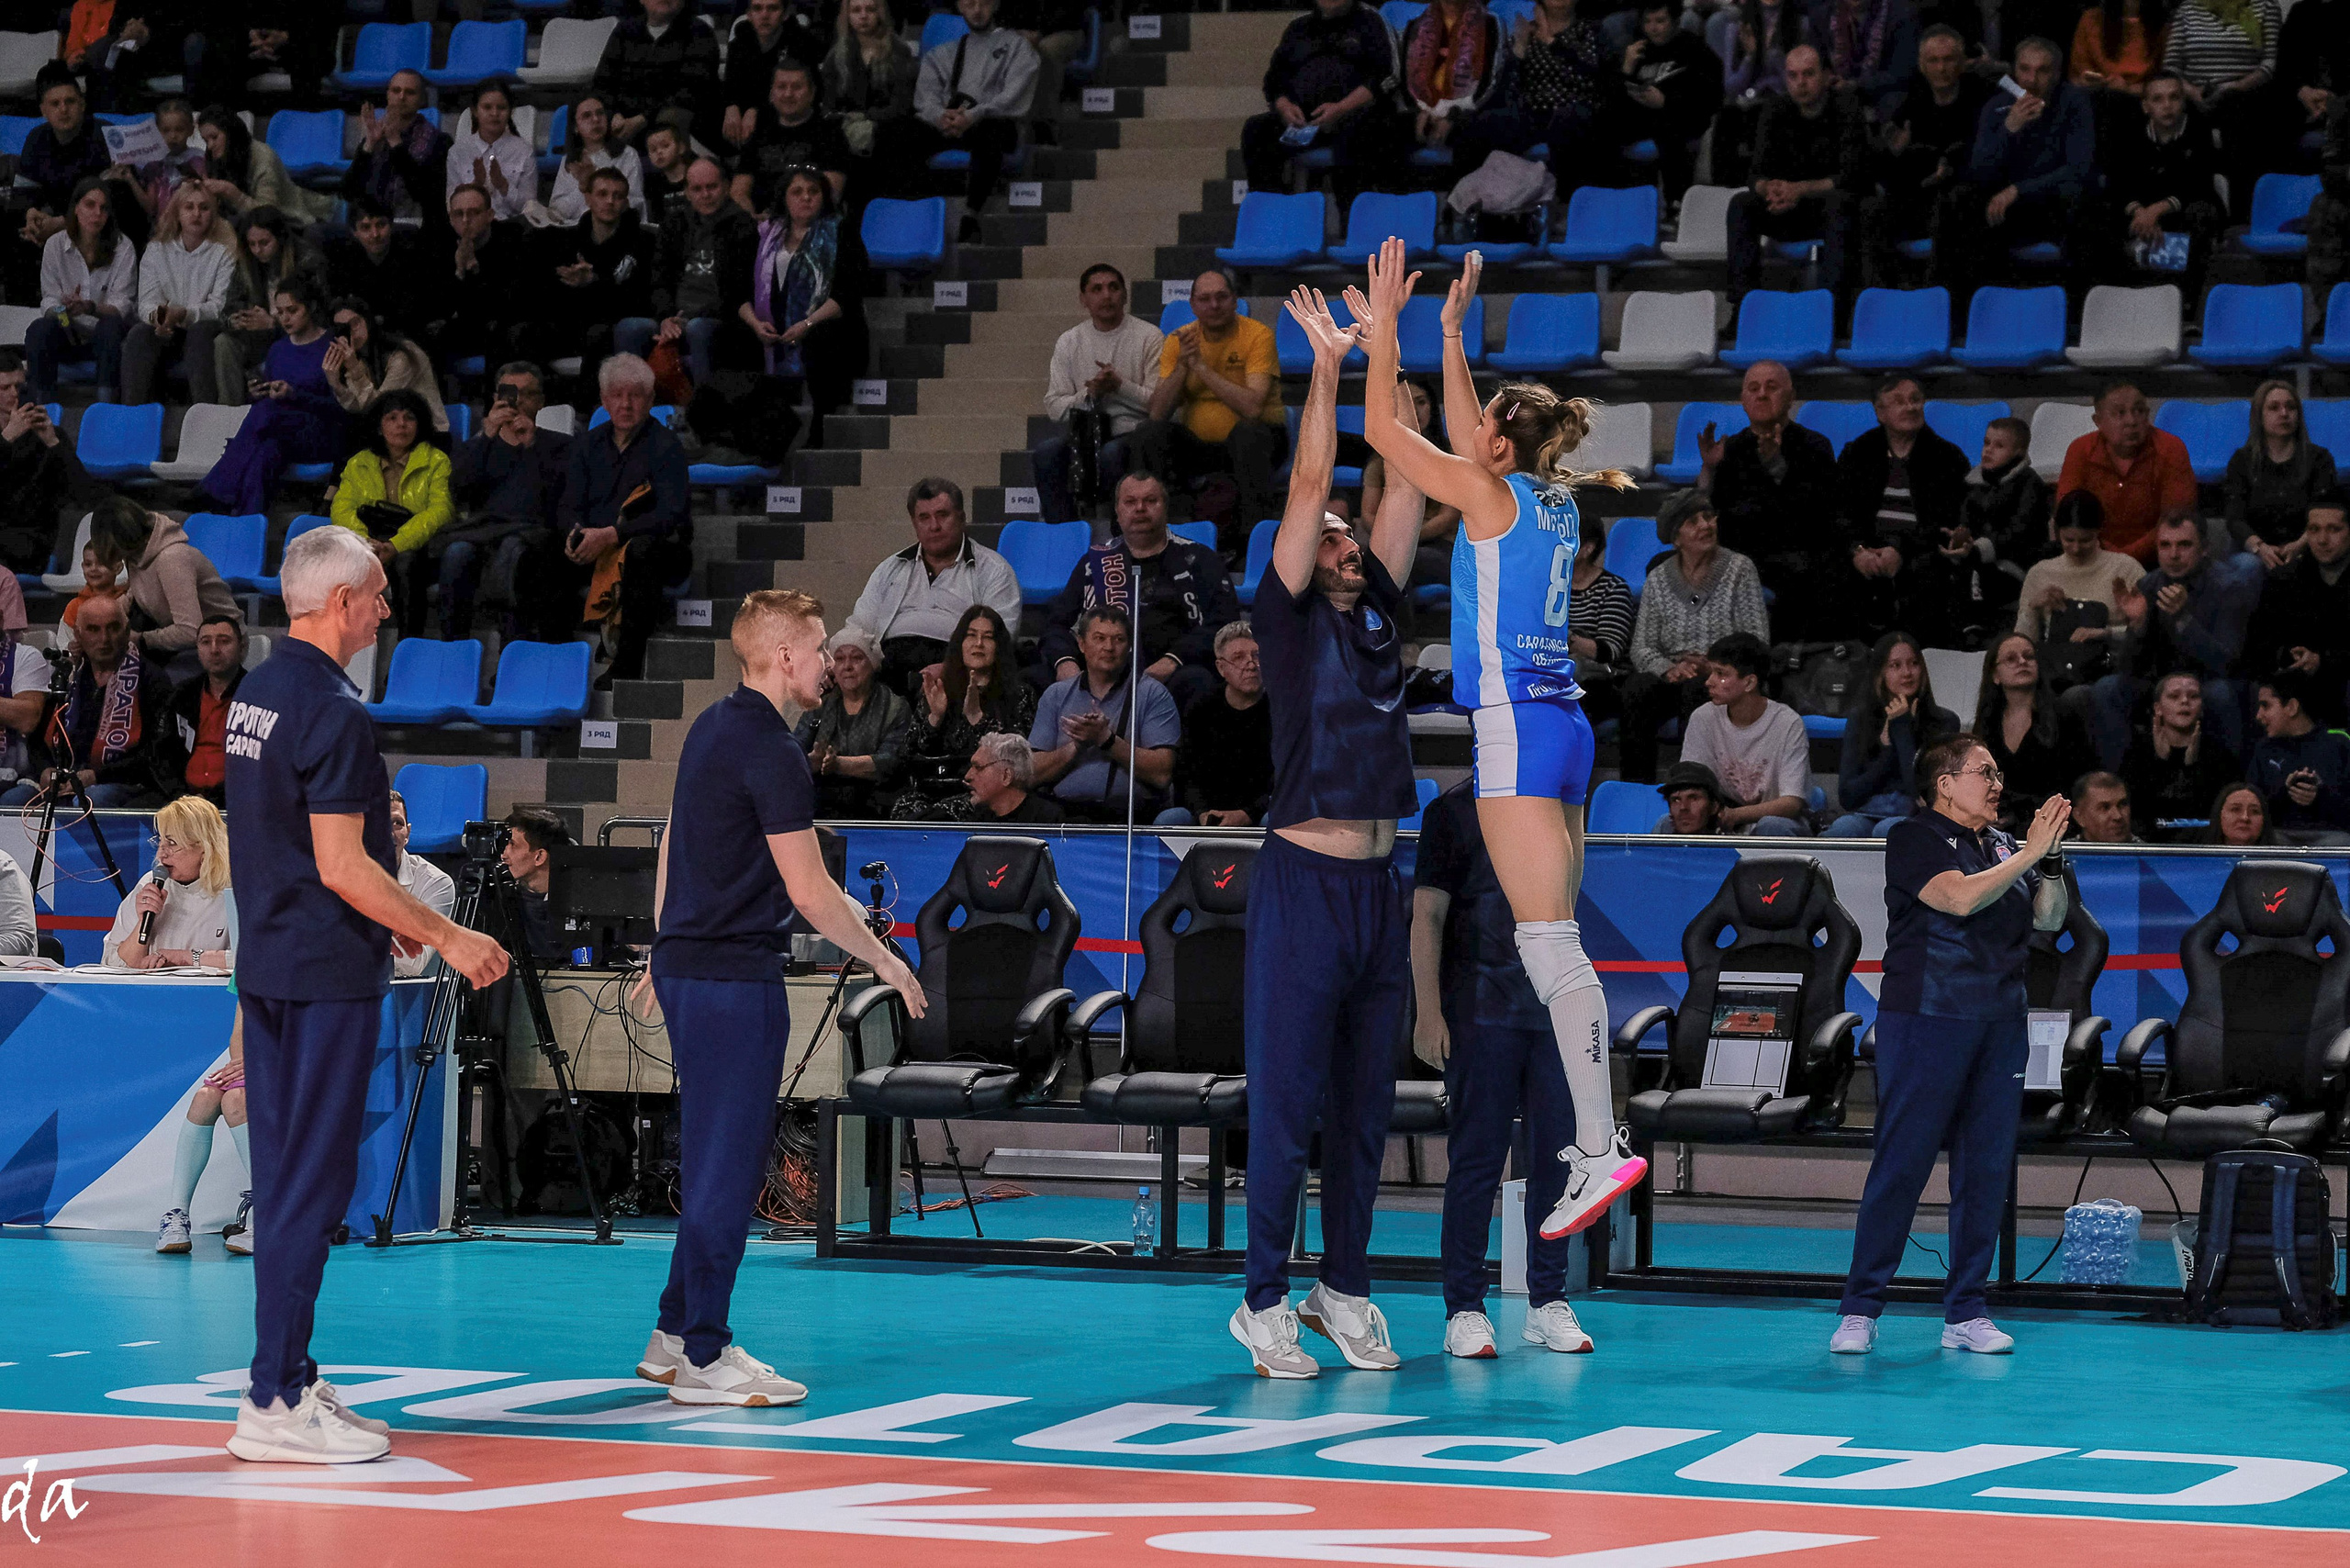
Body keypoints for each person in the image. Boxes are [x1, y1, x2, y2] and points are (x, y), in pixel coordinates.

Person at [1360, 242, 1649, 1251]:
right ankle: (1593, 1139)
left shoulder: (1485, 493)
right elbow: (1453, 432)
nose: (1470, 429)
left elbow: (1380, 431)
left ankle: (1599, 1141)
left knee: (1545, 945)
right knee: (1552, 936)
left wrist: (1386, 328)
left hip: (1518, 735)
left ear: (1496, 444)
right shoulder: (1553, 496)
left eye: (1479, 421)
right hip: (1567, 730)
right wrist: (1448, 335)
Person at [220, 526, 506, 1463]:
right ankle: (271, 1398)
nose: (386, 610)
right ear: (340, 602)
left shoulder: (256, 690)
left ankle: (288, 1373)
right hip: (321, 974)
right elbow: (344, 863)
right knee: (312, 1182)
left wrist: (377, 906)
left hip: (268, 963)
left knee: (294, 1175)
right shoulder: (336, 709)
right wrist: (448, 934)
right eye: (378, 595)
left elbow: (292, 845)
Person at [637, 587, 923, 1406]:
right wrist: (887, 962)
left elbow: (670, 840)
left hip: (695, 970)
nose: (832, 660)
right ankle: (704, 1353)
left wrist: (663, 948)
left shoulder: (712, 727)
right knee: (727, 1168)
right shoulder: (772, 749)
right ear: (787, 656)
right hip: (732, 980)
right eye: (821, 644)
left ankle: (670, 1333)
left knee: (711, 1157)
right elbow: (812, 892)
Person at [1224, 280, 1424, 1381]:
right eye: (1334, 536)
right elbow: (1317, 476)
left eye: (1350, 538)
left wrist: (1392, 340)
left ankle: (1340, 1289)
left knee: (1362, 1116)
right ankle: (1261, 1301)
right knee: (1289, 1107)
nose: (1348, 539)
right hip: (1301, 883)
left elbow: (1398, 470)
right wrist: (1330, 367)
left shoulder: (1382, 607)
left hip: (1378, 891)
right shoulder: (1287, 621)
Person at [1833, 735, 2069, 1358]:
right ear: (1945, 782)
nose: (1997, 783)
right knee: (1902, 1164)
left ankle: (1966, 1310)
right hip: (1928, 1017)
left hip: (1999, 1022)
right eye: (1984, 773)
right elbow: (1958, 899)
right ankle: (1860, 1308)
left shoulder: (2002, 845)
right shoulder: (1911, 837)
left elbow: (2049, 919)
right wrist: (2028, 856)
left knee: (1985, 1170)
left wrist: (2047, 861)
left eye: (1997, 774)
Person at [1413, 777, 1591, 1361]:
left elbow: (1567, 904)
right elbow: (1427, 918)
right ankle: (1464, 1309)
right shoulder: (1449, 813)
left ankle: (1548, 1302)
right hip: (1478, 1012)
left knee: (1558, 1163)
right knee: (1476, 1163)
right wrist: (1429, 1011)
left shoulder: (1559, 803)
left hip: (1551, 1010)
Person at [1037, 473, 1242, 711]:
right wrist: (1065, 662)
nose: (1140, 509)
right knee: (1035, 679)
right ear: (1117, 511)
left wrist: (1173, 660)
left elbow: (1225, 624)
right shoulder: (1094, 563)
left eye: (1150, 501)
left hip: (1175, 672)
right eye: (1130, 502)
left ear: (1165, 507)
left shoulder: (1198, 559)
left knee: (1199, 682)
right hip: (1098, 672)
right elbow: (1056, 624)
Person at [560, 354, 694, 684]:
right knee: (543, 550)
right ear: (604, 400)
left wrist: (612, 534)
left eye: (635, 395)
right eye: (617, 395)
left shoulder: (666, 446)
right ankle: (557, 655)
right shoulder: (587, 445)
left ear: (650, 401)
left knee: (641, 551)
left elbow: (670, 514)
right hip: (597, 545)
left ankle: (626, 665)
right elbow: (567, 504)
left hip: (656, 548)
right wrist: (574, 533)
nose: (626, 404)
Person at [1931, 36, 2095, 302]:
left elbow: (2079, 168)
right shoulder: (1997, 106)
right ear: (2014, 71)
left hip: (2052, 203)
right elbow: (1979, 171)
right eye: (2025, 70)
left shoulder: (2073, 102)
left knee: (2082, 199)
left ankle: (2076, 312)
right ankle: (1952, 307)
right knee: (1959, 202)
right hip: (2008, 210)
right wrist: (2010, 128)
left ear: (2056, 74)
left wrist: (2019, 190)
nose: (2031, 79)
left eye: (2042, 71)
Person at [2088, 510, 2257, 767]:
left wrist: (2183, 620)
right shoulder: (2148, 585)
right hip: (2159, 683)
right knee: (2107, 689)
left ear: (2204, 549)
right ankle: (2118, 786)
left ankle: (2229, 787)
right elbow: (2127, 668)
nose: (2173, 555)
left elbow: (2227, 663)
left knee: (2220, 694)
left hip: (2206, 682)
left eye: (2184, 545)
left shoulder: (2229, 587)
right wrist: (2139, 625)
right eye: (2165, 545)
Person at [1622, 495, 1771, 786]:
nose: (1706, 525)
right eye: (1694, 522)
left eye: (1709, 517)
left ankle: (1693, 788)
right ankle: (1634, 788)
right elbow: (1641, 647)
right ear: (1676, 538)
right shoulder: (1658, 578)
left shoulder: (1740, 569)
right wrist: (1668, 668)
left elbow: (1756, 639)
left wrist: (1715, 665)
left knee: (1697, 691)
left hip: (1722, 677)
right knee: (1636, 689)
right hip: (1674, 674)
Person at [1133, 268, 1287, 543]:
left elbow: (1252, 408)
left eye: (1221, 297)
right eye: (1205, 299)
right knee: (1149, 433)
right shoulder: (1179, 340)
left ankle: (1251, 539)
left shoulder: (1257, 335)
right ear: (1192, 305)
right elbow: (1157, 413)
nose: (1214, 305)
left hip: (1260, 439)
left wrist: (1202, 369)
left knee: (1248, 434)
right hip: (1202, 446)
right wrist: (1182, 366)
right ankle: (1167, 528)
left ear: (1235, 300)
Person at [1695, 360, 1841, 638]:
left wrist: (1776, 465)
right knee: (1665, 565)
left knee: (1815, 574)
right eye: (1753, 388)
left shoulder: (1815, 445)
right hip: (1733, 553)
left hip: (1791, 555)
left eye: (1771, 387)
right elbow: (1703, 508)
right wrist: (1709, 468)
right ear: (1743, 399)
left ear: (1791, 397)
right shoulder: (1730, 447)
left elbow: (1818, 516)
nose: (1761, 394)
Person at [732, 167, 868, 451]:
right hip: (770, 326)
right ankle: (748, 439)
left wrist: (807, 324)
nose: (806, 198)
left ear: (824, 197)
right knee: (733, 337)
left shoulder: (841, 230)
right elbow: (737, 289)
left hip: (828, 325)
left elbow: (848, 294)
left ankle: (819, 430)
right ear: (784, 197)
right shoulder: (764, 233)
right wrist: (756, 324)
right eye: (797, 192)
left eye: (813, 192)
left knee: (824, 338)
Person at [846, 478, 1022, 694]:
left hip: (955, 665)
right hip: (889, 668)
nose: (934, 526)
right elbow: (860, 627)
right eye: (924, 518)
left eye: (942, 515)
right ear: (914, 523)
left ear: (962, 518)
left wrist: (952, 669)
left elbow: (1002, 637)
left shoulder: (994, 570)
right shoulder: (890, 568)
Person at [883, 0, 1037, 242]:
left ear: (996, 5)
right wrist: (939, 116)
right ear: (960, 8)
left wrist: (973, 115)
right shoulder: (944, 53)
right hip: (949, 122)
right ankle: (918, 212)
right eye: (969, 4)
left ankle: (970, 215)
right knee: (902, 131)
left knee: (992, 130)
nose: (977, 10)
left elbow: (1012, 98)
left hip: (991, 121)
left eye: (983, 3)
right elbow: (926, 97)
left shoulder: (1018, 48)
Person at [443, 362, 575, 643]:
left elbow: (559, 501)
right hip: (485, 531)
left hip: (534, 537)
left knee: (513, 549)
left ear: (540, 402)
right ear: (495, 399)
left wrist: (532, 445)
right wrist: (486, 435)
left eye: (526, 394)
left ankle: (512, 646)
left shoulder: (562, 446)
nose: (517, 401)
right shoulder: (478, 447)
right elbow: (458, 491)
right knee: (456, 552)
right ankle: (454, 647)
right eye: (509, 394)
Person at [0, 590, 167, 808]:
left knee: (89, 801)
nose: (104, 639)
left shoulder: (151, 679)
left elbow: (156, 753)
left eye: (113, 628)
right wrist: (45, 770)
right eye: (93, 630)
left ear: (126, 632)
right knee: (13, 801)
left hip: (121, 781)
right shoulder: (67, 676)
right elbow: (37, 740)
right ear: (78, 634)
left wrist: (95, 776)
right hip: (65, 778)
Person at [1836, 375, 1972, 643]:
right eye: (1899, 401)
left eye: (1916, 400)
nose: (1911, 407)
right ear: (1880, 412)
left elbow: (1947, 521)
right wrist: (1858, 550)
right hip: (1865, 548)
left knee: (1930, 572)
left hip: (1918, 549)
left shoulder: (1947, 457)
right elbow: (1840, 512)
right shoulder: (1857, 453)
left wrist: (1900, 549)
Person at [1727, 45, 1863, 308]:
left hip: (1827, 209)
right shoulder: (1774, 110)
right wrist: (1769, 189)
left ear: (1825, 75)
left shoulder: (1847, 108)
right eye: (1793, 75)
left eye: (1809, 74)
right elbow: (1755, 173)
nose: (1801, 83)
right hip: (1785, 209)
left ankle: (1832, 311)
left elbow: (1851, 177)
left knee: (1841, 204)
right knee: (1741, 204)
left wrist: (1799, 190)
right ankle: (1742, 308)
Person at [1449, 0, 1625, 205]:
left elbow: (1591, 74)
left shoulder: (1592, 31)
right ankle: (1463, 206)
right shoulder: (1528, 32)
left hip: (1577, 109)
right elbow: (1507, 85)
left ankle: (1569, 205)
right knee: (1480, 125)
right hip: (1533, 112)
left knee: (1569, 121)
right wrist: (1520, 49)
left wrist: (1552, 42)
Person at [197, 275, 343, 516]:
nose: (285, 318)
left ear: (311, 308)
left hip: (319, 432)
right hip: (281, 431)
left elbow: (340, 408)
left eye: (292, 311)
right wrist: (259, 393)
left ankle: (217, 488)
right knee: (266, 452)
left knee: (265, 413)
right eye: (280, 312)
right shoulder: (278, 348)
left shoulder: (330, 345)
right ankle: (248, 522)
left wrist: (294, 395)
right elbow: (272, 398)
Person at [1860, 24, 1994, 286]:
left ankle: (1937, 299)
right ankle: (1889, 294)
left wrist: (1950, 170)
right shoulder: (1913, 102)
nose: (1941, 68)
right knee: (1871, 210)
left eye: (1948, 59)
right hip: (1920, 197)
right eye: (1933, 61)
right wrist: (1895, 154)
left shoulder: (1983, 99)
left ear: (1963, 62)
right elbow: (1889, 174)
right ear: (1922, 65)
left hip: (1962, 201)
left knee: (1951, 205)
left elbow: (1989, 160)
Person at [1241, 0, 1406, 208]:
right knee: (1257, 131)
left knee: (1363, 134)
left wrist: (1342, 108)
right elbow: (1274, 80)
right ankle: (1270, 216)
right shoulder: (1298, 28)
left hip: (1355, 114)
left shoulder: (1371, 21)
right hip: (1303, 121)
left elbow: (1388, 75)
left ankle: (1352, 223)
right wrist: (1284, 107)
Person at [1034, 263, 1163, 529]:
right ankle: (1066, 535)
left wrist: (1119, 386)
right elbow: (1054, 407)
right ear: (1083, 299)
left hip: (1133, 432)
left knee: (1112, 453)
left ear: (1125, 296)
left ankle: (1122, 535)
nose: (1106, 295)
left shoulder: (1150, 336)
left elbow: (1159, 405)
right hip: (1085, 434)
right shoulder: (1069, 341)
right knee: (1047, 453)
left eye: (1114, 288)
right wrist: (1089, 393)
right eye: (1097, 289)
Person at [1028, 605, 1181, 822]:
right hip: (1064, 818)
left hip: (1131, 818)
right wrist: (1076, 746)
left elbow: (1162, 773)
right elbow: (1031, 774)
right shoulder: (1056, 695)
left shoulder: (1152, 693)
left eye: (1118, 640)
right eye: (1099, 638)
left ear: (1129, 647)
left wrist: (1106, 740)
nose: (1109, 647)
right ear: (1081, 644)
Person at [620, 157, 759, 393]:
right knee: (629, 328)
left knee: (698, 328)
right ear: (686, 192)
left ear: (726, 186)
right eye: (697, 188)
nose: (705, 194)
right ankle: (632, 408)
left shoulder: (742, 225)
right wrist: (666, 317)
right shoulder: (674, 223)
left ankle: (705, 413)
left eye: (712, 187)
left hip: (720, 319)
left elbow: (738, 288)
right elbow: (659, 278)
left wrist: (689, 318)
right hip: (674, 318)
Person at [330, 389, 455, 641]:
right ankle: (344, 645)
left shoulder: (437, 461)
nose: (402, 424)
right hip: (369, 544)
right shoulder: (359, 463)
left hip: (419, 548)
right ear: (379, 427)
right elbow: (341, 508)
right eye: (393, 418)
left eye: (409, 418)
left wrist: (395, 545)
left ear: (419, 425)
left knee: (406, 561)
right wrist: (368, 544)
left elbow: (441, 511)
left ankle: (408, 644)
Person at [894, 603, 1035, 820]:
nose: (978, 643)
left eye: (988, 637)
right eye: (971, 635)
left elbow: (1013, 762)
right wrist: (934, 719)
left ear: (999, 646)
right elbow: (906, 756)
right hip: (930, 790)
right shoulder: (939, 689)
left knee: (942, 816)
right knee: (904, 810)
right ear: (960, 643)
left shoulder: (1019, 694)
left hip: (980, 795)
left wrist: (977, 719)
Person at [538, 168, 660, 401]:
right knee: (524, 332)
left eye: (617, 196)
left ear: (625, 202)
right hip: (572, 324)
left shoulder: (643, 242)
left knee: (598, 333)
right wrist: (572, 285)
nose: (610, 201)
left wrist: (594, 283)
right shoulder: (567, 240)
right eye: (602, 194)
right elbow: (552, 293)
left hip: (612, 326)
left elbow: (638, 299)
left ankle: (587, 411)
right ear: (588, 197)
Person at [2101, 70, 2224, 297]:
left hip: (2180, 210)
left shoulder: (2199, 129)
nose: (2167, 105)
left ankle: (2186, 304)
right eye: (2158, 99)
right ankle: (2118, 299)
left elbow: (2199, 182)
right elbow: (2118, 181)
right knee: (2098, 212)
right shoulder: (2128, 132)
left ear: (2184, 102)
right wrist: (2140, 213)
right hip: (2139, 214)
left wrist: (2156, 211)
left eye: (2174, 97)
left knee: (2202, 212)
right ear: (2146, 106)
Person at [1675, 632, 1814, 834]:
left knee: (1772, 826)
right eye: (1711, 672)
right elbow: (1690, 784)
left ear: (1749, 683)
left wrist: (1736, 815)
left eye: (1721, 674)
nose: (1709, 682)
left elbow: (1791, 803)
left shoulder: (1787, 723)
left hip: (1775, 820)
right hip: (1720, 817)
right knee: (1667, 822)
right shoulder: (1703, 717)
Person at [2162, 0, 2285, 222]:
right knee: (2172, 112)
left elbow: (2270, 63)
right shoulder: (2189, 8)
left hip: (2244, 92)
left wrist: (2235, 86)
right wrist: (2192, 91)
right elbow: (2171, 65)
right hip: (2193, 92)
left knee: (2240, 115)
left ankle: (2241, 217)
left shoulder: (2264, 6)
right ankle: (2187, 211)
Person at [1827, 633, 1959, 836]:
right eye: (1895, 666)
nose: (1907, 673)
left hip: (1915, 815)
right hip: (1866, 812)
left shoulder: (1944, 722)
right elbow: (1848, 796)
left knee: (1888, 830)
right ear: (1880, 674)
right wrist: (1888, 752)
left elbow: (1921, 792)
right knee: (1841, 830)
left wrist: (1901, 728)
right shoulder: (1861, 719)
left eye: (1913, 663)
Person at [2012, 491, 2146, 691]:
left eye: (2085, 540)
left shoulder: (2125, 569)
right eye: (2068, 540)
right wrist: (2033, 607)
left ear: (2099, 532)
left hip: (2112, 673)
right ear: (2057, 533)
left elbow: (2149, 631)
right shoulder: (2040, 572)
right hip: (2054, 675)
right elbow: (2022, 643)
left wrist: (2105, 634)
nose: (2076, 548)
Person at [89, 497, 242, 667]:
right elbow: (132, 598)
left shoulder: (171, 559)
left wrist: (142, 639)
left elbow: (191, 630)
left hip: (221, 647)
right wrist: (94, 620)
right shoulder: (137, 556)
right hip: (188, 647)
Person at [2057, 383, 2198, 566]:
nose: (2131, 421)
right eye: (2119, 413)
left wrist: (2126, 558)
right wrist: (2107, 554)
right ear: (2098, 421)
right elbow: (2068, 512)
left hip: (2158, 558)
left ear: (2148, 414)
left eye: (2139, 411)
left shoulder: (2171, 448)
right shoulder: (2080, 450)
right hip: (2092, 555)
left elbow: (2175, 518)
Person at [1973, 631, 2098, 831]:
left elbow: (2077, 784)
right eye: (2011, 659)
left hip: (2054, 825)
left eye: (2029, 656)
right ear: (1995, 675)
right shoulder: (1986, 726)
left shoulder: (2065, 715)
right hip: (2000, 827)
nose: (2022, 662)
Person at [122, 180, 232, 407]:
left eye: (204, 208)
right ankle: (133, 416)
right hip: (166, 327)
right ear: (178, 213)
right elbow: (146, 303)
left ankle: (205, 413)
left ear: (212, 213)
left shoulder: (223, 252)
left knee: (199, 332)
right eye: (189, 207)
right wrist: (160, 318)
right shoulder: (156, 250)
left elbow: (219, 307)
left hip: (204, 327)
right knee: (138, 334)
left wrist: (183, 314)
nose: (196, 214)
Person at [28, 177, 137, 401]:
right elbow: (49, 299)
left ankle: (105, 407)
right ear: (76, 208)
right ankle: (43, 409)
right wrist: (64, 312)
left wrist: (89, 307)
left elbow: (123, 306)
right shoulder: (55, 245)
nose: (97, 213)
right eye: (90, 205)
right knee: (40, 329)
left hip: (107, 335)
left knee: (110, 327)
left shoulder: (123, 246)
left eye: (103, 208)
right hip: (68, 329)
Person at [0, 348, 107, 574]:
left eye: (18, 386)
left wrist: (53, 443)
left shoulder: (48, 436)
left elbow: (85, 493)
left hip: (31, 541)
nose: (14, 394)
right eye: (4, 388)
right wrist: (7, 439)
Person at [155, 1008, 251, 1257]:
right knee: (205, 1098)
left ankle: (274, 1214)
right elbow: (239, 1033)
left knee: (236, 1101)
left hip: (298, 1066)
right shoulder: (250, 970)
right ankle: (177, 1215)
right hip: (257, 1064)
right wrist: (242, 1067)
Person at [2244, 498, 2350, 719]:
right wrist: (2285, 660)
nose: (2322, 539)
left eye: (2334, 529)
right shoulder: (2285, 578)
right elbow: (2259, 642)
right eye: (2314, 529)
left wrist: (2323, 661)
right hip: (2296, 680)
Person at [202, 207, 317, 410]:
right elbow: (226, 310)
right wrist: (236, 320)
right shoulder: (247, 263)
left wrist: (274, 323)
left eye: (264, 243)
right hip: (259, 339)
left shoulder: (306, 261)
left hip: (296, 338)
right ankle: (229, 413)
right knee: (223, 342)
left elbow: (318, 317)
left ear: (280, 238)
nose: (257, 250)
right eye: (252, 244)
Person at [792, 625, 912, 819]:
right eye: (839, 659)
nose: (847, 666)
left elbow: (891, 763)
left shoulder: (895, 707)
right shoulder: (820, 705)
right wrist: (807, 762)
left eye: (856, 658)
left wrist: (837, 764)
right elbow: (792, 751)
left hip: (876, 807)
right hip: (821, 805)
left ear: (872, 664)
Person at [1162, 622, 1273, 827]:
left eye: (1257, 655)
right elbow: (1187, 776)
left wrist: (1248, 813)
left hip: (1261, 812)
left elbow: (1286, 782)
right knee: (1170, 819)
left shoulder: (1283, 710)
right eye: (1239, 657)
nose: (1251, 664)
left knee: (1275, 819)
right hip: (1209, 813)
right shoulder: (1201, 708)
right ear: (1221, 667)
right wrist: (1202, 813)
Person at [107, 793, 236, 970]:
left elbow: (254, 960)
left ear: (205, 849)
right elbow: (112, 965)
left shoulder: (235, 890)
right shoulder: (150, 884)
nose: (161, 854)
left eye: (172, 843)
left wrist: (186, 958)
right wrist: (142, 921)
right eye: (160, 842)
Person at [1620, 0, 1727, 202]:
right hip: (1642, 117)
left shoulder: (1695, 50)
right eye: (1648, 22)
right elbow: (1617, 99)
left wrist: (1666, 102)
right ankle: (1617, 201)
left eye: (1660, 21)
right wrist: (1626, 69)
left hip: (1681, 117)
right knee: (1603, 124)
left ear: (1676, 20)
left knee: (1668, 129)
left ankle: (1675, 204)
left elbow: (1708, 99)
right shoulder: (1638, 51)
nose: (1653, 28)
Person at [2225, 381, 2339, 567]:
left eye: (2291, 407)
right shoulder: (2241, 460)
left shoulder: (2319, 459)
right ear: (2259, 416)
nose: (2284, 414)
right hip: (2255, 550)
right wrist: (2261, 548)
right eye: (2274, 408)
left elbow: (2326, 511)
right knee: (2247, 566)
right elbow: (2235, 519)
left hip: (2307, 545)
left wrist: (2300, 545)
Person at [1364, 379, 1463, 590]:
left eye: (1421, 402)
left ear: (1433, 407)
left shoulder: (1452, 456)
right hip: (1396, 543)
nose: (1415, 411)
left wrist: (1404, 541)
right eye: (1406, 403)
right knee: (1380, 564)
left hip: (1445, 547)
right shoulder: (1378, 461)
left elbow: (1447, 518)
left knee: (1396, 564)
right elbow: (1368, 515)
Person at [2122, 670, 2240, 838]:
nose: (2185, 701)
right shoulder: (2138, 753)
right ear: (2158, 708)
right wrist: (2161, 764)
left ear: (2202, 709)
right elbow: (2137, 815)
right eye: (2174, 696)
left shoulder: (2220, 756)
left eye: (2193, 696)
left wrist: (2193, 769)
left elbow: (2216, 816)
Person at [594, 0, 723, 150]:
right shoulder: (624, 31)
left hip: (673, 119)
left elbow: (692, 90)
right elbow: (602, 83)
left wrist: (642, 119)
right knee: (584, 109)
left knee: (672, 118)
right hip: (623, 120)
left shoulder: (699, 32)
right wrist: (613, 114)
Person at [337, 71, 452, 236]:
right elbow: (347, 192)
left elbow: (426, 194)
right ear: (388, 95)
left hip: (414, 230)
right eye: (396, 91)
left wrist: (395, 143)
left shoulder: (440, 142)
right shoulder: (375, 137)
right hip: (371, 229)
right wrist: (368, 146)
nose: (402, 97)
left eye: (410, 92)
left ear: (422, 99)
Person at [439, 183, 536, 373]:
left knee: (507, 334)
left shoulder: (514, 242)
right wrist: (459, 271)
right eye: (459, 214)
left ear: (490, 215)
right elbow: (443, 307)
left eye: (474, 213)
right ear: (451, 219)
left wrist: (476, 272)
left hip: (504, 326)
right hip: (467, 327)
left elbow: (512, 306)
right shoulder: (442, 247)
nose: (466, 220)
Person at [731, 61, 853, 209]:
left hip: (810, 224)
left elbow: (831, 195)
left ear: (812, 93)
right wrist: (754, 220)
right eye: (781, 87)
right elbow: (738, 193)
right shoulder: (758, 133)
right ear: (771, 94)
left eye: (797, 87)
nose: (788, 94)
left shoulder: (831, 134)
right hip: (760, 224)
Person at [155, 615, 246, 807]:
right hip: (181, 800)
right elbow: (162, 754)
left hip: (236, 803)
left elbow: (257, 765)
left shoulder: (257, 695)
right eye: (206, 642)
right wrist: (180, 796)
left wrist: (212, 801)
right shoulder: (181, 695)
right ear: (197, 650)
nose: (214, 650)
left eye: (224, 641)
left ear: (241, 647)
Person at [2249, 669, 2350, 841]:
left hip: (2333, 837)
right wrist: (2284, 792)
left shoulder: (2340, 743)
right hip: (2278, 835)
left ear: (2292, 707)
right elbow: (2250, 809)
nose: (2258, 715)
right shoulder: (2263, 749)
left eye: (2265, 705)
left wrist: (2321, 796)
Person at [1399, 0, 1505, 163]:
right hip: (1421, 110)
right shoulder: (1415, 26)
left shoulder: (1490, 23)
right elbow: (1405, 79)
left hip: (1467, 112)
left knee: (1483, 127)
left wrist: (1452, 116)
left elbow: (1490, 83)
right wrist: (1420, 112)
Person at [325, 297, 450, 435]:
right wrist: (337, 385)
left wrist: (355, 370)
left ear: (368, 320)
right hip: (392, 436)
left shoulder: (403, 355)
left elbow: (380, 408)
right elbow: (360, 407)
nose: (351, 332)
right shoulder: (358, 358)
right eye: (342, 328)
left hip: (428, 434)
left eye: (355, 323)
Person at [195, 106, 335, 229]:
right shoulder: (216, 158)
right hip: (250, 227)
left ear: (230, 131)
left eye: (214, 137)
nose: (210, 145)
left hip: (295, 221)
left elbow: (268, 215)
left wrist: (231, 192)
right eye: (206, 140)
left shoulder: (263, 157)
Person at [824, 0, 922, 172]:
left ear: (880, 14)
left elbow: (901, 106)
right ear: (847, 16)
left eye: (870, 9)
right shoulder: (836, 55)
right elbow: (829, 103)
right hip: (847, 125)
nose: (863, 16)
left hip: (886, 127)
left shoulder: (899, 50)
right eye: (856, 10)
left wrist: (866, 117)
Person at [726, 0, 829, 150]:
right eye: (757, 8)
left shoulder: (802, 43)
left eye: (773, 8)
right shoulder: (739, 44)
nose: (765, 15)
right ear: (748, 14)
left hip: (789, 116)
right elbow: (731, 85)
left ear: (786, 14)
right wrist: (731, 106)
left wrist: (756, 110)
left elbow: (805, 94)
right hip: (745, 118)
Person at [1961, 415, 2054, 573]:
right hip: (1978, 555)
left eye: (1999, 446)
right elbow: (1965, 520)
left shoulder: (2029, 482)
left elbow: (2021, 532)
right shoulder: (1973, 482)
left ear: (2018, 453)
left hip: (2020, 561)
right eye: (1986, 443)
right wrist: (1961, 538)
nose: (1989, 450)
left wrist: (1981, 548)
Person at [387, 789, 458, 980]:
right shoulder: (337, 875)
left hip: (410, 998)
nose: (389, 832)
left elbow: (412, 962)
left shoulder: (435, 884)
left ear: (407, 833)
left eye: (397, 823)